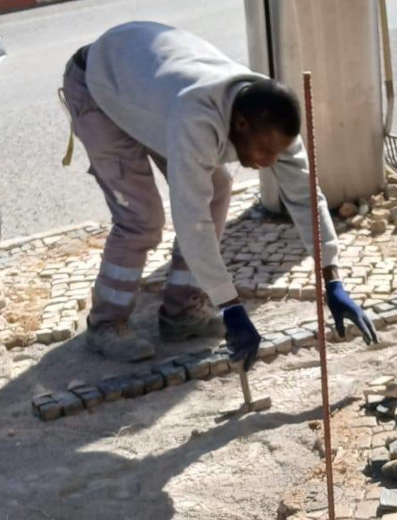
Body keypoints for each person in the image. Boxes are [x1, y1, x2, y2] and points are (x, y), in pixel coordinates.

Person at [61, 21, 377, 370]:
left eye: (277, 153)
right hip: (99, 85)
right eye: (264, 151)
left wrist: (332, 277)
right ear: (240, 125)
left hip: (147, 88)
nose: (270, 162)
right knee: (141, 219)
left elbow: (305, 195)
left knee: (218, 189)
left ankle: (181, 311)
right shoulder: (197, 119)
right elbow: (192, 219)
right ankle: (105, 323)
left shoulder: (272, 119)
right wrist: (230, 305)